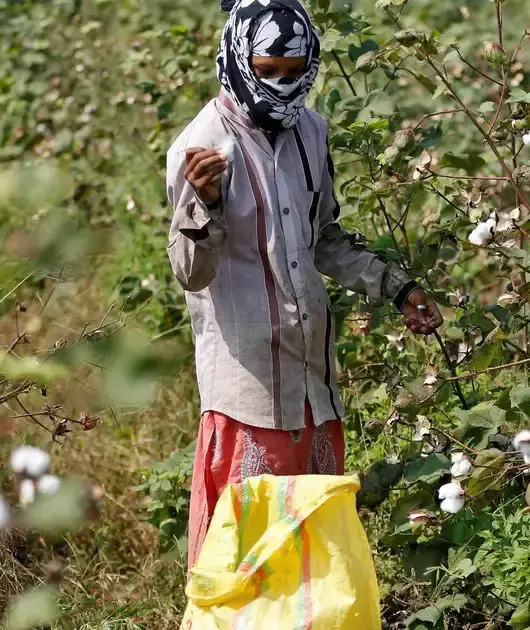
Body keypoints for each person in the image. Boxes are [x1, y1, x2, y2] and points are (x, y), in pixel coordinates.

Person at [165, 0, 443, 570]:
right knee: (248, 562)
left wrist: (396, 288)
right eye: (267, 70)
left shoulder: (310, 131)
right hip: (248, 392)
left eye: (294, 73)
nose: (282, 85)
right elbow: (191, 273)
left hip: (311, 384)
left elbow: (323, 239)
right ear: (239, 59)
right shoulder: (202, 146)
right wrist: (207, 205)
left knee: (311, 561)